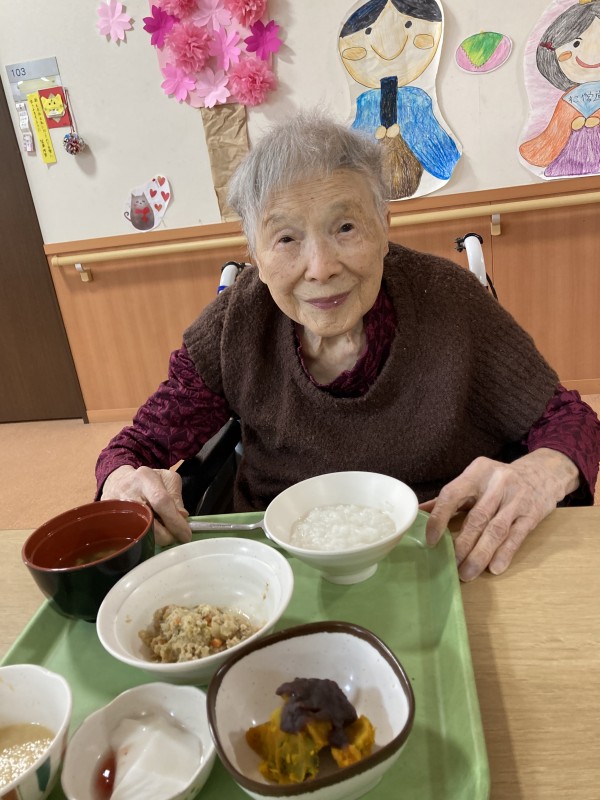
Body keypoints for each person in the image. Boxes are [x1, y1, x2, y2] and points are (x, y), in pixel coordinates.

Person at [97, 111, 600, 581]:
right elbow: (133, 448)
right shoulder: (236, 325)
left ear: (383, 227)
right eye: (286, 239)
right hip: (279, 568)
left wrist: (541, 474)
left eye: (345, 228)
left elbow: (568, 420)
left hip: (441, 556)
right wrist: (124, 481)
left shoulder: (451, 301)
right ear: (255, 254)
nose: (320, 268)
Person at [520, 0, 600, 178]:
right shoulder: (570, 99)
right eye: (576, 44)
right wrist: (575, 123)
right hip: (574, 159)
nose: (592, 54)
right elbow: (557, 132)